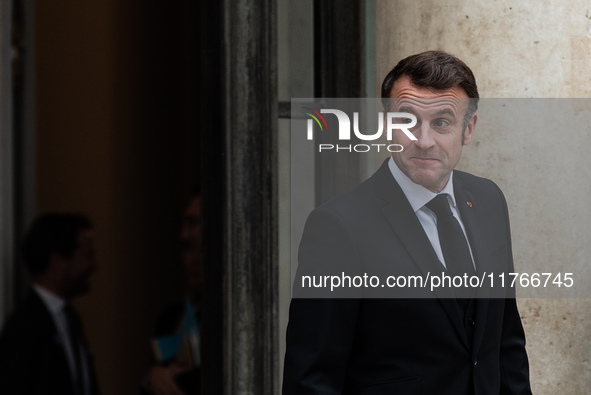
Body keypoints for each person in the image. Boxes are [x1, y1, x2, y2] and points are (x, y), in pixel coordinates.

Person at [283, 51, 532, 394]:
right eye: (408, 121)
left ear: (468, 129)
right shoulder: (338, 227)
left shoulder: (489, 200)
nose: (423, 140)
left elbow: (506, 345)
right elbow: (311, 379)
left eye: (442, 122)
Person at [0, 213, 100, 395]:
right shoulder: (25, 327)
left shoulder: (70, 318)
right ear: (57, 263)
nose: (94, 265)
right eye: (87, 256)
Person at [144, 193, 202, 395]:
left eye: (193, 223)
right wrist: (153, 378)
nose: (185, 236)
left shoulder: (228, 320)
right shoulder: (170, 317)